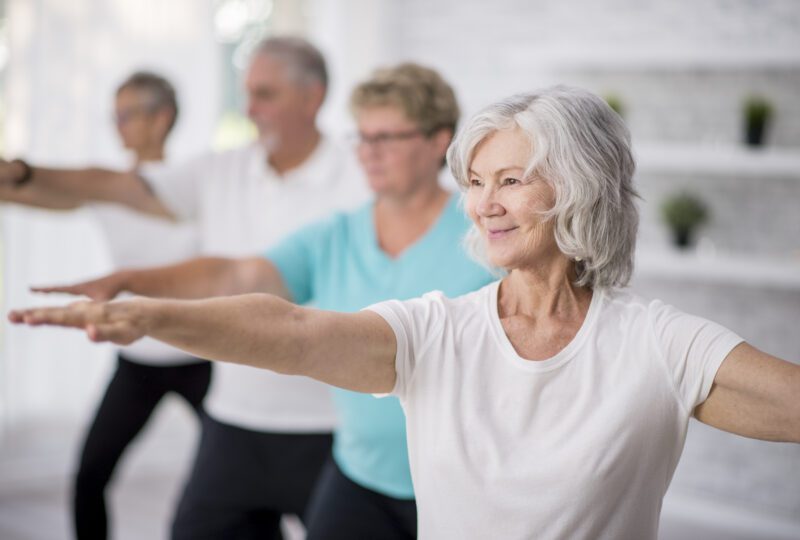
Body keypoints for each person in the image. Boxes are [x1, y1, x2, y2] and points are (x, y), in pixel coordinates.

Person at [10, 85, 799, 540]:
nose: (486, 204)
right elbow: (291, 329)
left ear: (582, 188)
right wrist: (155, 315)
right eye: (478, 181)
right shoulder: (436, 331)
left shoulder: (658, 344)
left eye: (513, 180)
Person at [28, 63, 495, 539]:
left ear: (439, 141)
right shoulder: (336, 234)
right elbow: (238, 273)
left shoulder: (484, 235)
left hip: (458, 483)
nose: (369, 154)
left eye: (387, 138)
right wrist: (130, 284)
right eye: (363, 138)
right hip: (361, 476)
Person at [2, 37, 367, 538]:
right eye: (247, 93)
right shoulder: (221, 169)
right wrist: (23, 173)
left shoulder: (362, 173)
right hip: (234, 420)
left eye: (265, 94)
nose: (250, 108)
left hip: (330, 425)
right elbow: (115, 186)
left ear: (312, 97)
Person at [0, 70, 209, 540]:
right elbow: (26, 191)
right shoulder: (103, 188)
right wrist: (14, 176)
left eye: (128, 114)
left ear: (163, 118)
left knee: (239, 477)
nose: (118, 125)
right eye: (114, 115)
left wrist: (21, 171)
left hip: (202, 357)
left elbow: (104, 183)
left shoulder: (194, 183)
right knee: (90, 476)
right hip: (138, 357)